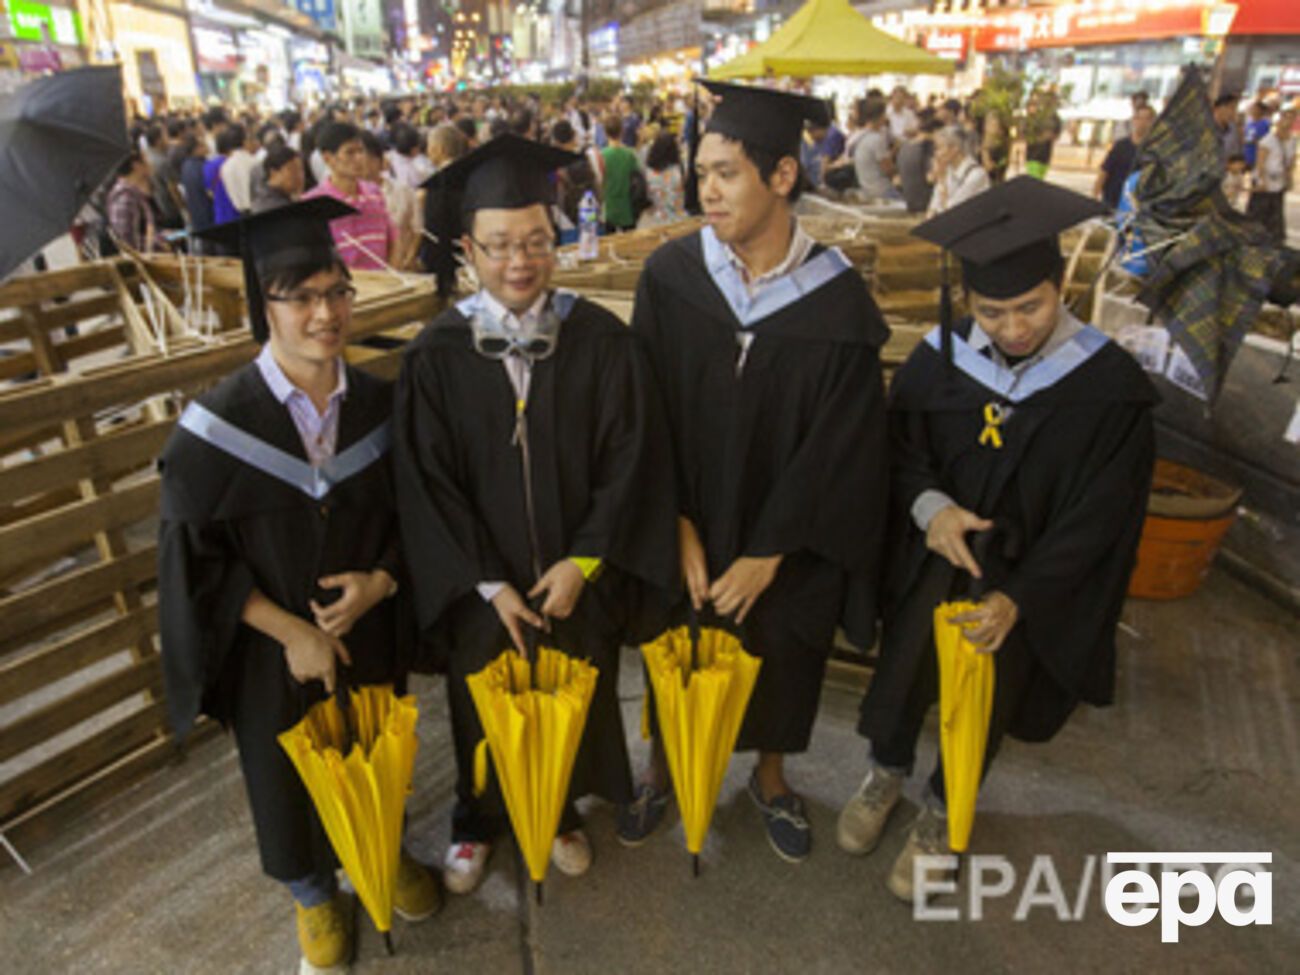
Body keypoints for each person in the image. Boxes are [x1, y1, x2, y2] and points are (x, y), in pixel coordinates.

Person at [836, 178, 1157, 905]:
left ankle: (945, 809)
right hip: (934, 560)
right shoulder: (939, 358)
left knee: (984, 700)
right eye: (991, 310)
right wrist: (931, 508)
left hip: (1024, 581)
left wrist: (1023, 594)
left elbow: (1100, 518)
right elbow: (898, 447)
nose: (1011, 327)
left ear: (1063, 282)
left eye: (1029, 306)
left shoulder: (1109, 388)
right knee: (904, 673)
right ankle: (885, 770)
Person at [157, 198, 441, 973]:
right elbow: (195, 563)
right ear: (264, 305)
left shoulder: (384, 405)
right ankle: (313, 892)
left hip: (369, 629)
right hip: (269, 651)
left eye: (337, 291)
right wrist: (293, 631)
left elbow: (424, 513)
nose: (327, 314)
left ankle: (379, 849)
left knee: (375, 743)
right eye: (302, 297)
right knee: (284, 766)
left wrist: (384, 582)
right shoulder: (215, 429)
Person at [393, 135, 677, 896]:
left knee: (569, 693)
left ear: (557, 238)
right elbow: (428, 484)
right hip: (481, 585)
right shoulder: (438, 355)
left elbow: (631, 460)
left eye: (535, 241)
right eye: (498, 246)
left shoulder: (601, 342)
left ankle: (556, 813)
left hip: (571, 578)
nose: (519, 261)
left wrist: (583, 562)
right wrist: (488, 582)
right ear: (466, 249)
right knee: (479, 699)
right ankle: (476, 820)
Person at [626, 80, 890, 863]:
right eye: (702, 169)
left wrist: (771, 549)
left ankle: (771, 778)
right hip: (688, 523)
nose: (707, 188)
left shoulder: (837, 300)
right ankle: (663, 766)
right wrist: (669, 518)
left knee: (782, 648)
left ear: (781, 177)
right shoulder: (672, 277)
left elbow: (845, 445)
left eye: (728, 172)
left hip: (789, 535)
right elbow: (644, 412)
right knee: (676, 643)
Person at [302, 121, 396, 270]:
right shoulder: (313, 203)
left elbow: (393, 240)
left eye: (361, 151)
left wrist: (390, 278)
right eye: (350, 152)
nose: (359, 158)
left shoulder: (375, 193)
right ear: (328, 159)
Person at [361, 130, 420, 270]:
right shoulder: (349, 198)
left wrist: (409, 259)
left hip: (402, 270)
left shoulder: (402, 191)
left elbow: (417, 229)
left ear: (379, 161)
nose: (360, 166)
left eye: (366, 159)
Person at [1248, 106, 1296, 243]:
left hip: (1278, 183)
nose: (1287, 122)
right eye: (1285, 117)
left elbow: (1290, 163)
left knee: (1275, 218)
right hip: (1265, 183)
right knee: (1257, 217)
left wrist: (1289, 179)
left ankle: (1273, 242)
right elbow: (1260, 164)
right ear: (1279, 119)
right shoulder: (1268, 140)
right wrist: (1261, 181)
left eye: (1291, 118)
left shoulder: (1292, 141)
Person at [1094, 103, 1156, 211]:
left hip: (1134, 205)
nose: (1143, 123)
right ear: (1134, 120)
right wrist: (1095, 194)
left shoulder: (1153, 150)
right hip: (1112, 200)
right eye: (1139, 118)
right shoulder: (1120, 146)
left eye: (1147, 119)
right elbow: (1105, 170)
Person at [927, 125, 989, 216]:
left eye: (939, 148)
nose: (936, 154)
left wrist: (941, 179)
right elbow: (932, 209)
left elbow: (951, 211)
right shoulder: (947, 171)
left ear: (955, 148)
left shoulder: (976, 175)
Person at [106, 151, 161, 252]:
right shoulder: (124, 197)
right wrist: (153, 244)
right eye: (145, 160)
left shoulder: (134, 191)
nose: (150, 163)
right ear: (136, 165)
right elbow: (128, 243)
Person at [600, 114, 641, 232]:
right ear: (622, 131)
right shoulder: (630, 154)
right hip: (627, 207)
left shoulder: (601, 155)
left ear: (605, 132)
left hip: (609, 207)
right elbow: (637, 177)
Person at [852, 97, 897, 202]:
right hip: (882, 190)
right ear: (879, 117)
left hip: (866, 187)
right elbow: (888, 169)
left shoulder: (858, 136)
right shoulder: (876, 139)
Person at [640, 130, 686, 227]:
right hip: (678, 218)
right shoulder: (678, 168)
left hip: (656, 218)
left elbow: (647, 193)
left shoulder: (649, 171)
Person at [897, 116, 939, 214]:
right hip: (924, 202)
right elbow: (931, 178)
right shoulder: (927, 147)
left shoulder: (905, 146)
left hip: (908, 199)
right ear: (936, 132)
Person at [252, 145, 305, 214]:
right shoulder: (273, 206)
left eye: (300, 169)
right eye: (292, 170)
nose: (299, 175)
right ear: (273, 173)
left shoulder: (261, 197)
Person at [801, 115, 846, 189]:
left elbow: (825, 163)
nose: (811, 136)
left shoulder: (831, 135)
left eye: (811, 132)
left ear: (818, 129)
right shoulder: (818, 139)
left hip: (834, 180)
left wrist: (820, 186)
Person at [1243, 100, 1271, 169]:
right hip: (1246, 155)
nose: (1252, 110)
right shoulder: (1249, 122)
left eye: (1255, 108)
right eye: (1252, 108)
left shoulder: (1265, 124)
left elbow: (1263, 141)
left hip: (1257, 156)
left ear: (1261, 111)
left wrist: (1249, 141)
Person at [1213, 93, 1242, 159]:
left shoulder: (1233, 129)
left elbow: (1234, 154)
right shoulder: (1205, 127)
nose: (1233, 112)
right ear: (1217, 108)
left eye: (1235, 109)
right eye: (1231, 108)